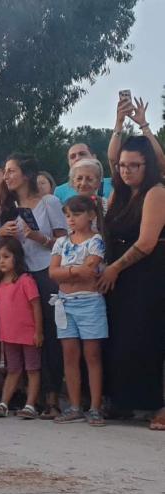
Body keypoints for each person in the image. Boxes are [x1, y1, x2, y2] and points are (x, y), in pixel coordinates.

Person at [99, 136, 165, 430]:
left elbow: (147, 242)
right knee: (121, 337)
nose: (126, 170)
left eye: (133, 165)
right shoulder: (121, 193)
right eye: (123, 165)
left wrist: (115, 267)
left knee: (148, 337)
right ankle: (124, 400)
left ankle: (158, 405)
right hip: (119, 274)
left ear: (147, 165)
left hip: (148, 274)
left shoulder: (156, 192)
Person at [0, 154, 67, 419]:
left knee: (49, 334)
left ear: (26, 174)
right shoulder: (10, 207)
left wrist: (40, 238)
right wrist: (2, 234)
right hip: (21, 276)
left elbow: (65, 242)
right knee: (24, 336)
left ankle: (52, 397)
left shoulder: (49, 202)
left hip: (47, 272)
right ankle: (28, 397)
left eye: (11, 170)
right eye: (5, 171)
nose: (6, 176)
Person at [49, 195, 107, 426]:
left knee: (92, 355)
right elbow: (53, 272)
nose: (71, 219)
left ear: (91, 215)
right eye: (68, 215)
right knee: (69, 355)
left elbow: (89, 270)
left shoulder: (96, 240)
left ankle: (95, 407)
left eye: (77, 214)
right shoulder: (61, 242)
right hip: (65, 303)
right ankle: (74, 406)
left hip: (89, 302)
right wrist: (74, 271)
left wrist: (66, 272)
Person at [0, 238, 42, 419]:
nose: (1, 261)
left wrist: (38, 331)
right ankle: (4, 403)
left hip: (28, 334)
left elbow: (36, 305)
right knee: (13, 369)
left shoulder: (25, 280)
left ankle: (30, 405)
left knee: (32, 369)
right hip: (9, 336)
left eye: (6, 256)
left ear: (16, 257)